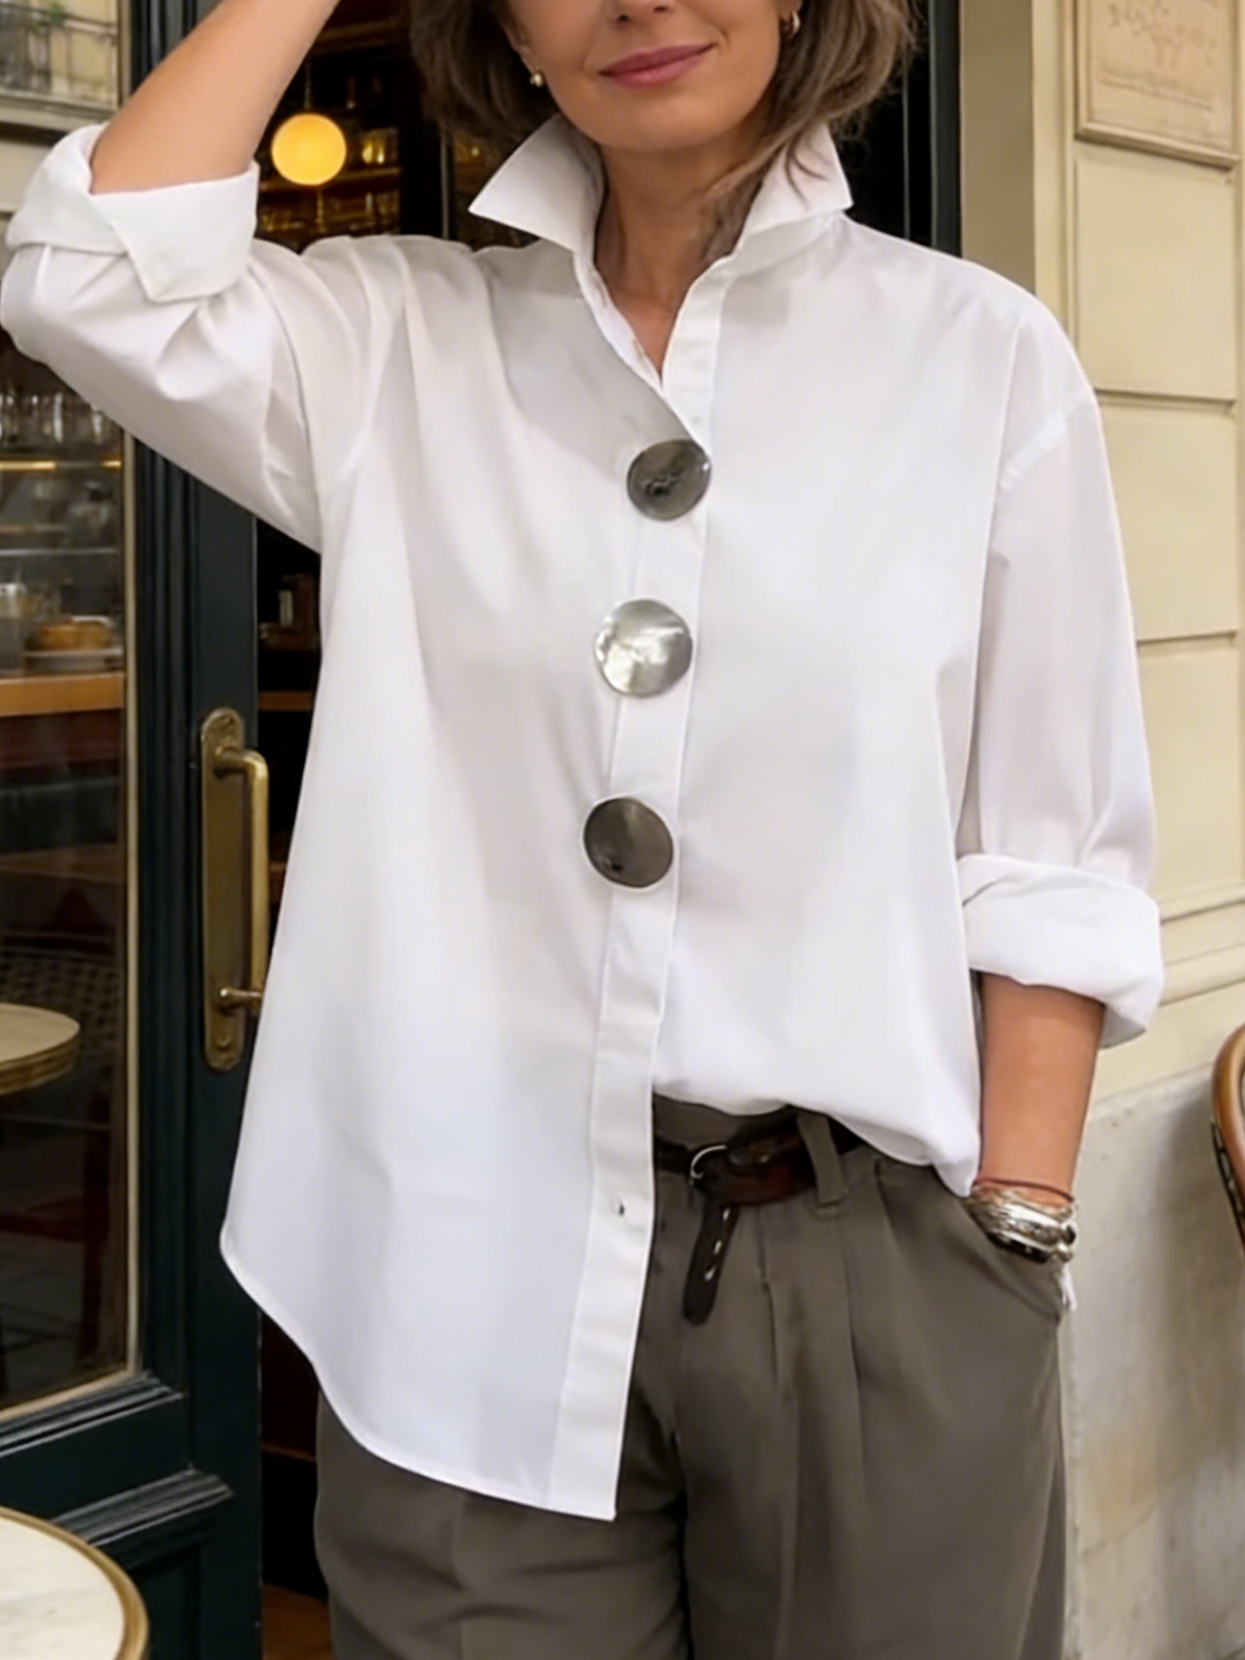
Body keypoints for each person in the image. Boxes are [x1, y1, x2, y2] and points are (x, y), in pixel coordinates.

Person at [0, 0, 1165, 1652]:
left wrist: (1014, 1236)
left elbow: (1052, 849)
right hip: (463, 1255)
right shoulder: (402, 341)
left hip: (865, 1264)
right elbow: (86, 273)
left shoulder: (976, 358)